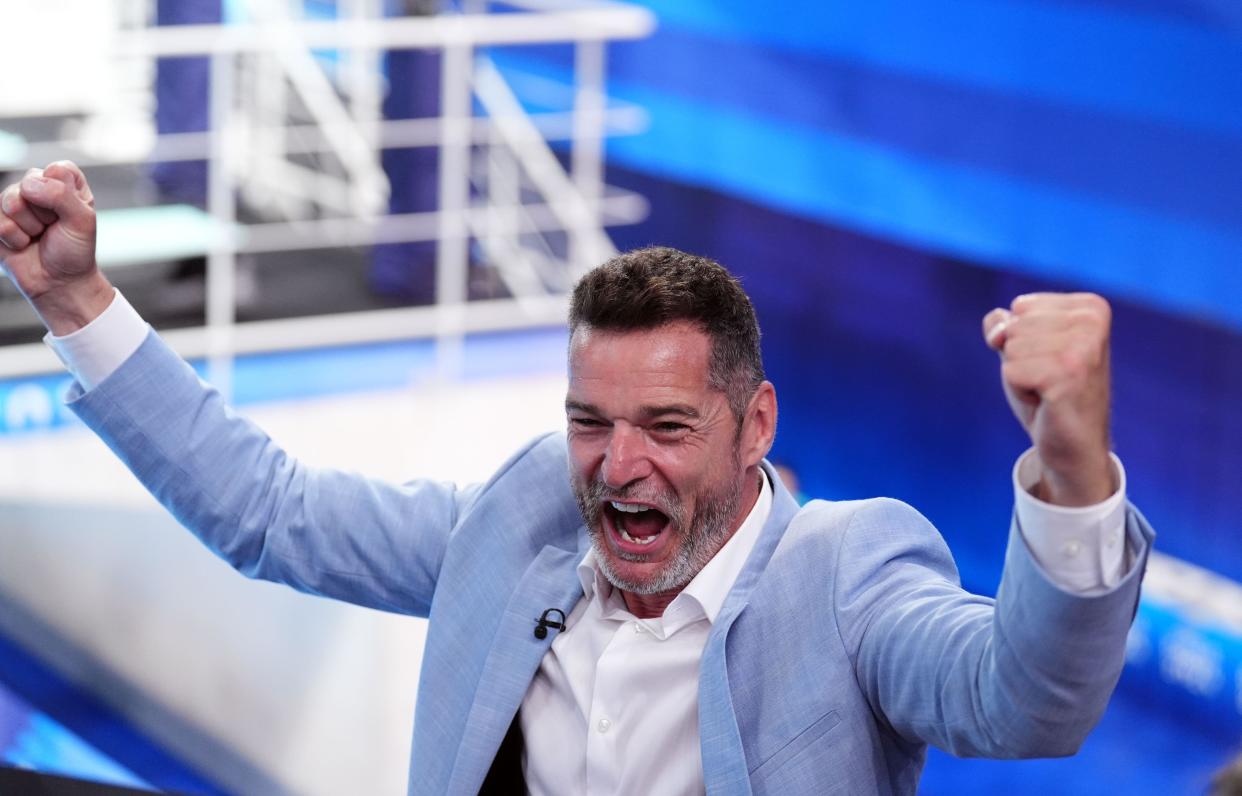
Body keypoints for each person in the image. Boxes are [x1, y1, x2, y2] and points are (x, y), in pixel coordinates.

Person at [0, 163, 1153, 795]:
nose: (619, 467)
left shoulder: (850, 573)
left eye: (665, 426)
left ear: (756, 427)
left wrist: (1073, 471)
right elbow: (270, 512)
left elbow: (1028, 702)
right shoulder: (521, 526)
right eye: (589, 424)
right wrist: (75, 303)